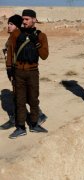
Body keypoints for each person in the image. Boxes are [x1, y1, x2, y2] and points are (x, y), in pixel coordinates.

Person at [6, 9, 49, 139]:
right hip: (18, 72)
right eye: (23, 19)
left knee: (33, 100)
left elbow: (44, 56)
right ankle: (20, 127)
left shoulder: (41, 36)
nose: (23, 22)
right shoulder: (16, 34)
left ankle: (34, 124)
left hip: (32, 73)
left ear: (34, 20)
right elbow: (10, 52)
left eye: (27, 19)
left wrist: (36, 42)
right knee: (20, 101)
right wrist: (9, 69)